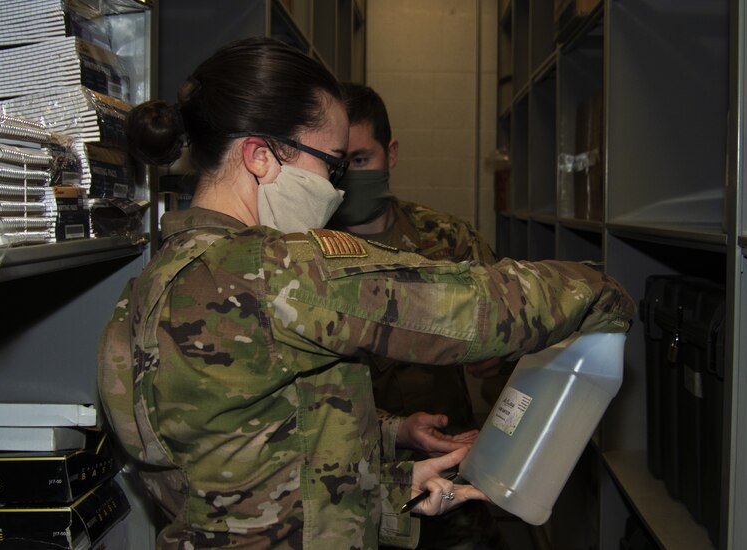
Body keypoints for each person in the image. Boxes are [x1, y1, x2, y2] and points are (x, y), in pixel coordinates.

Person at [97, 37, 635, 550]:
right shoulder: (273, 270)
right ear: (261, 157)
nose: (337, 189)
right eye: (332, 165)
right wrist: (597, 288)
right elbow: (474, 309)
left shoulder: (147, 286)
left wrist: (391, 484)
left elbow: (244, 462)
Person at [330, 82, 510, 549]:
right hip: (348, 478)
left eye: (360, 160)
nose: (347, 175)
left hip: (449, 469)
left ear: (390, 154)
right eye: (336, 163)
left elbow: (517, 329)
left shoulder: (444, 240)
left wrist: (497, 359)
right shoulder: (303, 254)